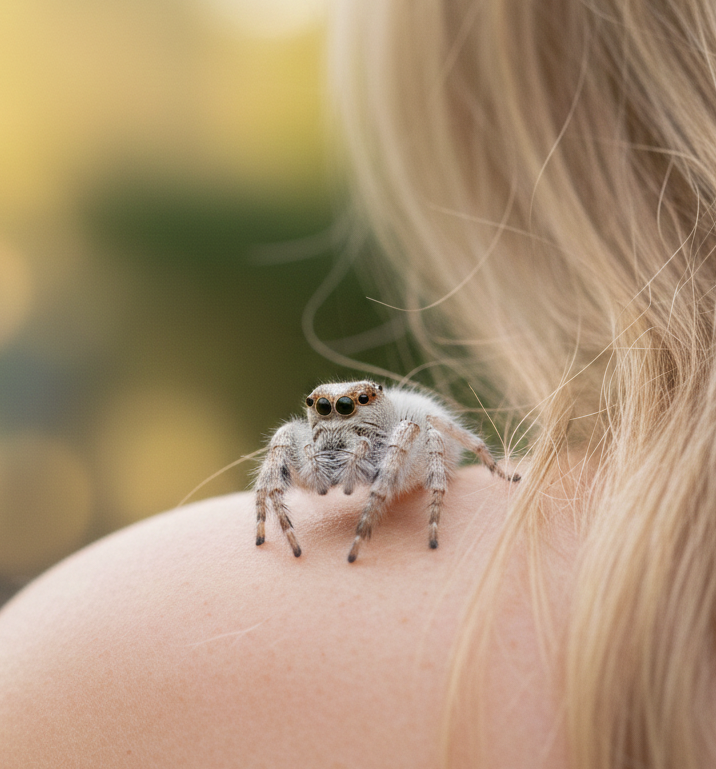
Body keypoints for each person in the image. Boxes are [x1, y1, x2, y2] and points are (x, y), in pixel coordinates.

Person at [1, 0, 714, 766]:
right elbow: (285, 458)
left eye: (348, 407)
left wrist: (453, 495)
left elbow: (434, 433)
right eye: (324, 411)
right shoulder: (301, 450)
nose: (335, 418)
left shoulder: (93, 664)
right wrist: (268, 521)